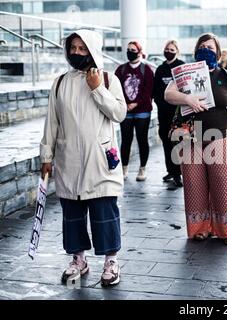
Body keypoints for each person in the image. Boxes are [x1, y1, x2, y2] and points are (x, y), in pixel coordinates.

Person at [40, 30, 127, 287]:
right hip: (69, 163)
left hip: (100, 162)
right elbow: (51, 123)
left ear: (92, 50)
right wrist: (47, 156)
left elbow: (119, 113)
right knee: (73, 216)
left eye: (82, 48)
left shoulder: (109, 79)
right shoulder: (59, 83)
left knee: (104, 214)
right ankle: (79, 259)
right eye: (73, 48)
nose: (76, 53)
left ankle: (111, 261)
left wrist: (97, 89)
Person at [165, 33, 227, 246]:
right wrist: (187, 99)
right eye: (202, 46)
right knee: (194, 184)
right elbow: (168, 94)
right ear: (196, 50)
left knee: (223, 183)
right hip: (190, 136)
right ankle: (200, 228)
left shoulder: (225, 74)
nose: (206, 49)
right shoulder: (184, 73)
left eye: (210, 47)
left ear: (217, 50)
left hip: (219, 134)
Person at [115, 41, 154, 181]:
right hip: (125, 111)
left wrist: (135, 103)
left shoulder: (146, 70)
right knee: (125, 140)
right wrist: (125, 104)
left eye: (132, 49)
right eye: (128, 49)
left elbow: (148, 90)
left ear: (139, 51)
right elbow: (116, 88)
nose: (129, 51)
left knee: (142, 140)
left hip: (142, 111)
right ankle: (124, 169)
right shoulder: (121, 70)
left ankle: (142, 169)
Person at [153, 39, 185, 187]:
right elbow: (156, 91)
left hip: (178, 113)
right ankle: (170, 170)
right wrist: (162, 103)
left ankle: (179, 173)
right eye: (167, 49)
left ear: (177, 51)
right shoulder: (160, 69)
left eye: (172, 50)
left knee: (178, 143)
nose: (169, 52)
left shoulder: (181, 67)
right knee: (166, 142)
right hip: (163, 113)